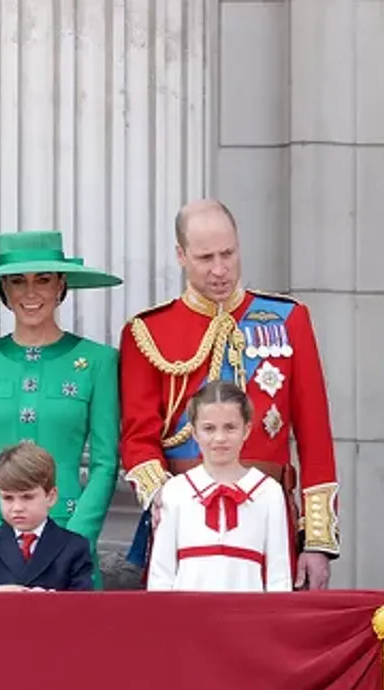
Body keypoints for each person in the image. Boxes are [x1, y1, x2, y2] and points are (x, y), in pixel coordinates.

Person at [120, 200, 339, 588]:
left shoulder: (289, 320)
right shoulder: (147, 332)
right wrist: (161, 499)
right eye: (205, 257)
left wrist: (317, 541)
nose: (220, 270)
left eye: (228, 253)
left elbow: (315, 437)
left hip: (269, 517)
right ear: (181, 255)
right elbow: (138, 438)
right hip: (184, 517)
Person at [0, 231, 122, 588]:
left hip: (70, 539)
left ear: (61, 285)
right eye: (17, 281)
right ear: (3, 290)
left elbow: (106, 462)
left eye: (43, 280)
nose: (30, 292)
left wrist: (76, 538)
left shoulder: (99, 362)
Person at [147, 381, 294, 592]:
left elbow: (279, 576)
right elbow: (161, 574)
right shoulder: (175, 491)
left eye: (230, 427)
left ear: (246, 430)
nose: (220, 438)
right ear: (195, 433)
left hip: (248, 618)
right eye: (209, 428)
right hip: (187, 619)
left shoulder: (268, 492)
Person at [0, 443, 95, 592]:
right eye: (8, 498)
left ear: (51, 497)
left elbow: (83, 606)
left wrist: (55, 602)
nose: (17, 508)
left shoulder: (75, 547)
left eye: (27, 497)